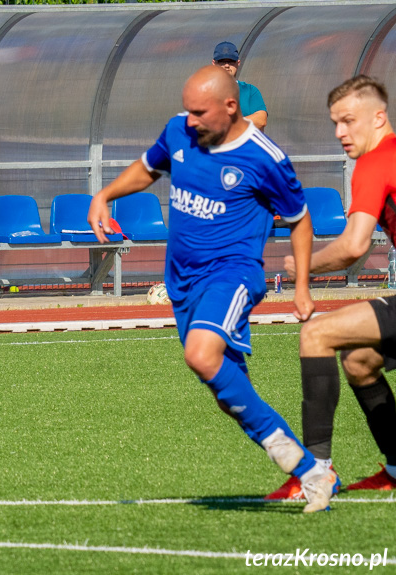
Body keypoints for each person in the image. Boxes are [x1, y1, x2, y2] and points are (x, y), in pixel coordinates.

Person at [87, 65, 339, 513]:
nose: (191, 120)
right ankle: (311, 471)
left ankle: (311, 470)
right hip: (181, 282)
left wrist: (302, 287)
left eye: (199, 112)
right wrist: (105, 195)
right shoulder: (179, 131)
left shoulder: (265, 158)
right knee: (228, 392)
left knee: (201, 355)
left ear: (230, 106)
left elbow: (300, 220)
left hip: (232, 274)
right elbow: (149, 168)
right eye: (187, 111)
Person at [266, 75, 396, 501]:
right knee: (360, 361)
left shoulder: (376, 162)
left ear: (379, 118)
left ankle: (316, 471)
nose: (340, 132)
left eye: (348, 121)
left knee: (316, 333)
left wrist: (302, 265)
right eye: (334, 123)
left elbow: (353, 247)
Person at [213, 41, 268, 131]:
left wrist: (226, 124)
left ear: (238, 63)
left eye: (231, 62)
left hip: (246, 144)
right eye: (222, 62)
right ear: (214, 63)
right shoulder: (206, 91)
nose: (227, 65)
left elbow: (261, 121)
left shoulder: (250, 90)